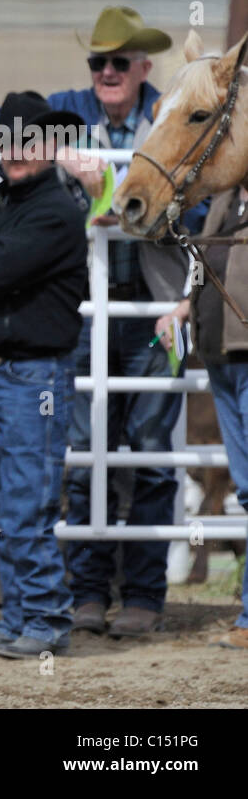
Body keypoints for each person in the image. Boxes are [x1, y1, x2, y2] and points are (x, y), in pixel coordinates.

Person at [0, 7, 194, 637]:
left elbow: (206, 178)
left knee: (152, 449)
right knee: (84, 450)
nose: (105, 72)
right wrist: (58, 155)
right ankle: (86, 590)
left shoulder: (171, 114)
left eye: (117, 62)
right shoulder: (64, 108)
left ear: (142, 68)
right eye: (97, 62)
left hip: (154, 302)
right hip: (81, 304)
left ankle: (143, 593)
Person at [0, 91, 87, 658]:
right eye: (8, 141)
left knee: (25, 501)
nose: (16, 152)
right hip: (2, 374)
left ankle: (44, 619)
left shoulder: (52, 212)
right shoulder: (2, 212)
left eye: (28, 141)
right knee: (9, 503)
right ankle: (24, 618)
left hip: (33, 376)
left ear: (49, 146)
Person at [155, 187, 248, 650]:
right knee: (247, 488)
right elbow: (204, 260)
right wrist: (186, 305)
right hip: (221, 355)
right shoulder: (226, 202)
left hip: (242, 355)